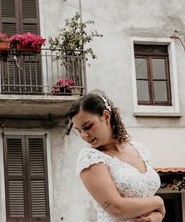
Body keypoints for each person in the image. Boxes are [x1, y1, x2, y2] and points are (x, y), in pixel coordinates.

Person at [68, 92, 165, 222]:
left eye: (88, 127)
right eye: (79, 131)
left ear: (106, 116)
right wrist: (158, 202)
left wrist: (157, 216)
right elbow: (116, 208)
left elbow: (146, 197)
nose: (84, 135)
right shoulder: (90, 158)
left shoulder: (137, 149)